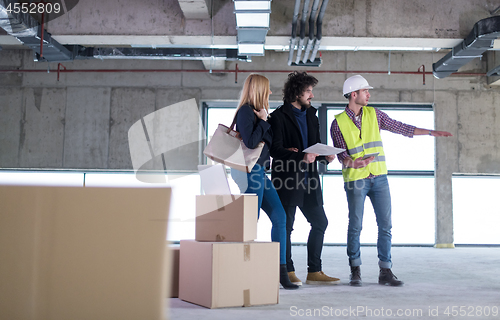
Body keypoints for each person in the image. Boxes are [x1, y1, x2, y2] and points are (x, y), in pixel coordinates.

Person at [330, 75, 452, 287]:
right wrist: (353, 164)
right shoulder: (338, 122)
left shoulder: (374, 114)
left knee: (385, 225)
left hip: (379, 178)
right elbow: (341, 155)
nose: (369, 94)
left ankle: (385, 271)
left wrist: (431, 132)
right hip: (356, 180)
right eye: (365, 91)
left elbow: (400, 128)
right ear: (353, 94)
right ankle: (355, 269)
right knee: (355, 225)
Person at [268, 71, 340, 286]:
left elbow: (315, 144)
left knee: (320, 222)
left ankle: (314, 271)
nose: (312, 95)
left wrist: (326, 156)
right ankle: (287, 270)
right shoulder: (277, 117)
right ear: (296, 92)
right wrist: (300, 156)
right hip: (288, 178)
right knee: (287, 226)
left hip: (310, 178)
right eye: (308, 91)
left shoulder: (311, 115)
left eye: (311, 91)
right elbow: (275, 150)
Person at [230, 73, 299, 290]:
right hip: (249, 170)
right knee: (252, 220)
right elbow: (250, 142)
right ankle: (240, 269)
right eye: (267, 89)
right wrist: (263, 120)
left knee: (280, 216)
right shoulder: (245, 112)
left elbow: (264, 145)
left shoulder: (258, 113)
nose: (270, 93)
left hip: (259, 171)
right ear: (259, 89)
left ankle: (280, 271)